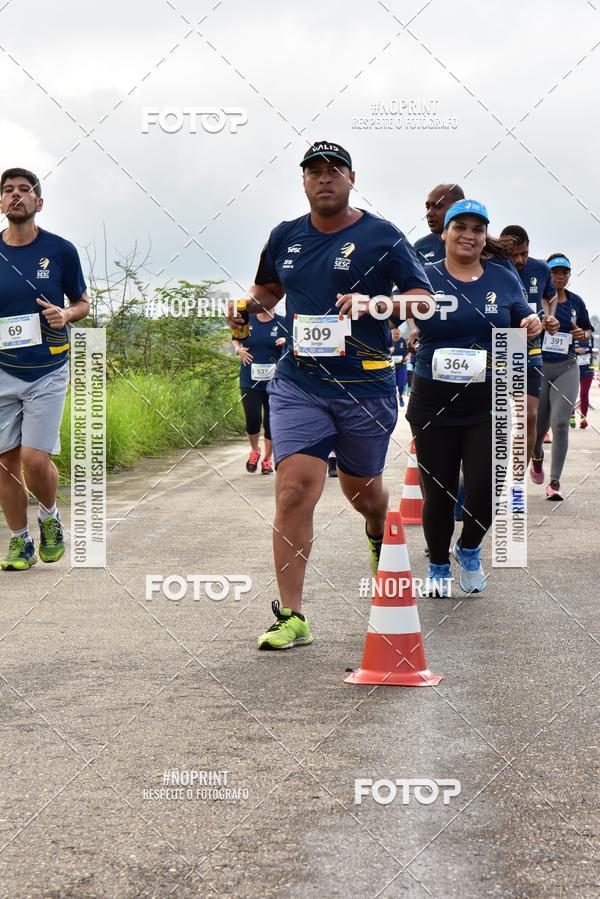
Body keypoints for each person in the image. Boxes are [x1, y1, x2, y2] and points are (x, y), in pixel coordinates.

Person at [227, 140, 434, 650]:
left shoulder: (381, 235)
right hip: (299, 382)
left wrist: (374, 303)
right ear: (303, 181)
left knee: (364, 492)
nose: (324, 178)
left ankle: (375, 530)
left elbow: (424, 302)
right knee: (294, 489)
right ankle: (291, 616)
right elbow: (269, 290)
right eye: (314, 171)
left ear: (351, 177)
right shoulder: (285, 235)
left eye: (333, 170)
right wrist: (245, 306)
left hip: (365, 385)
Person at [406, 199, 541, 596]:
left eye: (477, 229)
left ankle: (469, 549)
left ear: (485, 237)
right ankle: (436, 564)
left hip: (488, 398)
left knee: (486, 485)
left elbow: (522, 314)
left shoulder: (502, 277)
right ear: (444, 233)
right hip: (432, 398)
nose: (469, 235)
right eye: (460, 227)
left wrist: (530, 321)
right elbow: (392, 314)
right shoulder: (424, 277)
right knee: (439, 488)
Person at [0, 168, 89, 571]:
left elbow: (83, 303)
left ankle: (50, 517)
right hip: (3, 369)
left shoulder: (61, 250)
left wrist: (65, 314)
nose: (16, 196)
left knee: (35, 459)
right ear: (1, 203)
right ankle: (20, 542)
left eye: (24, 190)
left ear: (39, 202)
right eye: (8, 191)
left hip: (48, 368)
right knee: (4, 462)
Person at [530, 254, 593, 500]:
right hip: (539, 365)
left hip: (567, 366)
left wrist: (582, 334)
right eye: (555, 272)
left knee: (559, 423)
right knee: (537, 426)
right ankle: (536, 457)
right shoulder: (536, 301)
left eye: (564, 272)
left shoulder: (576, 302)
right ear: (547, 274)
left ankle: (555, 482)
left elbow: (588, 331)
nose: (559, 276)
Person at [500, 226, 558, 463]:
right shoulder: (492, 267)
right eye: (514, 254)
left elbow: (550, 297)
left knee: (529, 417)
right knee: (496, 419)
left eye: (524, 253)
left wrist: (549, 318)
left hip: (530, 345)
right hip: (498, 345)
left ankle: (516, 482)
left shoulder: (541, 269)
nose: (519, 260)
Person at [232, 308, 286, 474]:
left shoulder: (282, 321)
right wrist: (238, 350)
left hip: (274, 381)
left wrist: (286, 340)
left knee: (271, 422)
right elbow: (235, 339)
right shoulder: (248, 320)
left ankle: (267, 460)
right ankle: (255, 451)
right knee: (253, 418)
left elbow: (294, 341)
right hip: (250, 380)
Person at [414, 183, 465, 263]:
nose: (429, 213)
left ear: (459, 208)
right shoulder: (420, 247)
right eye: (428, 207)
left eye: (437, 206)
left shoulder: (478, 246)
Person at [574, 335, 594, 429]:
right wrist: (576, 351)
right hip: (572, 369)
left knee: (584, 394)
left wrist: (592, 353)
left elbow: (592, 350)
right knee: (572, 394)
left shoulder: (590, 336)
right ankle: (571, 415)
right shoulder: (572, 334)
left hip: (587, 369)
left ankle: (583, 418)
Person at [389, 327, 409, 406]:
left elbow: (410, 350)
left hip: (402, 366)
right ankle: (392, 400)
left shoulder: (404, 341)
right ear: (391, 334)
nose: (396, 335)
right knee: (391, 385)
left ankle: (400, 396)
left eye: (397, 334)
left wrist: (408, 356)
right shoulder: (388, 341)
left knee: (401, 384)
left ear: (400, 333)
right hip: (391, 367)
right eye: (394, 334)